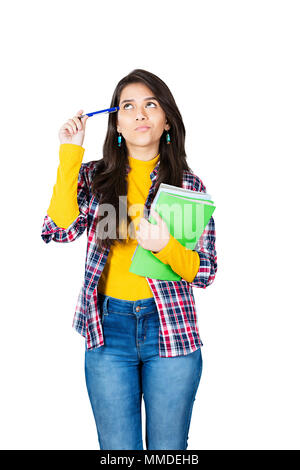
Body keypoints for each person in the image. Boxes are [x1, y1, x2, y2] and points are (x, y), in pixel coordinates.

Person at [41, 69, 217, 450]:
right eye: (129, 107)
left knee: (168, 453)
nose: (140, 114)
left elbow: (205, 271)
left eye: (151, 105)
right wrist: (70, 152)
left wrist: (166, 246)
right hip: (108, 329)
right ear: (116, 124)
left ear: (166, 119)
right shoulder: (94, 178)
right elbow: (59, 228)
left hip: (170, 330)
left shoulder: (188, 186)